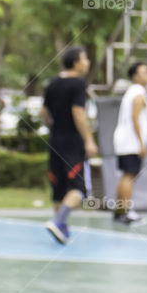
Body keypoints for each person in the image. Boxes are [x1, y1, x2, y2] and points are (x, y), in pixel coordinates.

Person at [42, 46, 99, 244]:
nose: (88, 62)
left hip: (55, 139)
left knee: (59, 188)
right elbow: (78, 113)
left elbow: (44, 113)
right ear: (76, 62)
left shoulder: (52, 83)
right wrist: (89, 140)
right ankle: (58, 221)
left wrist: (55, 126)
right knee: (78, 189)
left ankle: (61, 228)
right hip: (73, 142)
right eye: (85, 59)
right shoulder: (78, 84)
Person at [112, 62, 147, 226]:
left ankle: (119, 211)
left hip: (125, 141)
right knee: (130, 176)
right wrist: (141, 143)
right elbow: (135, 119)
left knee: (126, 176)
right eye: (143, 72)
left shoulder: (132, 92)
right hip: (131, 142)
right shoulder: (137, 93)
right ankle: (126, 212)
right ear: (135, 76)